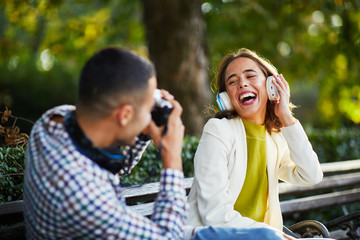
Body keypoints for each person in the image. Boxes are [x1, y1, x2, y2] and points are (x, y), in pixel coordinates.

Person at [23, 47, 293, 240]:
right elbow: (167, 236)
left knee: (262, 236)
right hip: (160, 231)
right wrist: (171, 157)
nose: (149, 116)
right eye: (145, 109)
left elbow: (110, 161)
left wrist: (142, 108)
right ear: (124, 114)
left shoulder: (52, 122)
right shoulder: (88, 202)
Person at [186, 48, 324, 230]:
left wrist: (286, 117)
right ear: (226, 98)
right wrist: (277, 236)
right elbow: (215, 215)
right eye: (232, 81)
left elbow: (311, 176)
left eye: (250, 76)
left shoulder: (275, 138)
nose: (242, 84)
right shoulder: (218, 130)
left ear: (271, 85)